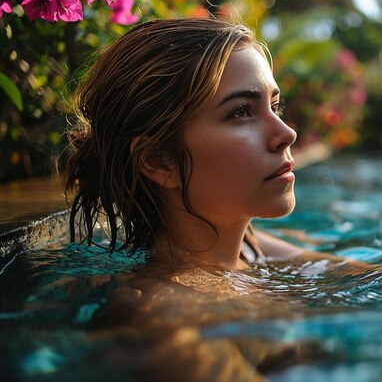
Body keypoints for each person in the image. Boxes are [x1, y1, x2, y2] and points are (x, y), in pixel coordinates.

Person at [64, 16, 337, 272]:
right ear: (158, 160)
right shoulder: (167, 313)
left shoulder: (250, 248)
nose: (287, 133)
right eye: (241, 111)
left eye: (275, 107)